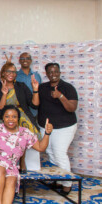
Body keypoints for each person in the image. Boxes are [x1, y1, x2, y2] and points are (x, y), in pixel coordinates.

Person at [0, 106, 52, 204]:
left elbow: (41, 148)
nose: (10, 119)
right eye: (7, 116)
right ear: (3, 118)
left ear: (18, 118)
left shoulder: (25, 133)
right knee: (0, 168)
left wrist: (47, 133)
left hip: (11, 165)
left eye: (14, 116)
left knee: (12, 179)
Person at [38, 62, 78, 195]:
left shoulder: (68, 88)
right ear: (47, 74)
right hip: (46, 127)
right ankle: (58, 179)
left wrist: (60, 96)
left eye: (55, 71)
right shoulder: (42, 87)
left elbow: (72, 108)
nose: (53, 74)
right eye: (50, 72)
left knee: (59, 153)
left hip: (64, 127)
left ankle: (67, 184)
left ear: (60, 73)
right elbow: (35, 104)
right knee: (50, 153)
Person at [0, 62, 40, 172]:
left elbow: (34, 104)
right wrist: (4, 94)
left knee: (22, 132)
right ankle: (4, 162)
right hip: (5, 117)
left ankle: (22, 160)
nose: (11, 74)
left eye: (14, 72)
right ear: (3, 73)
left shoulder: (21, 86)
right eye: (8, 71)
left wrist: (35, 89)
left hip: (21, 116)